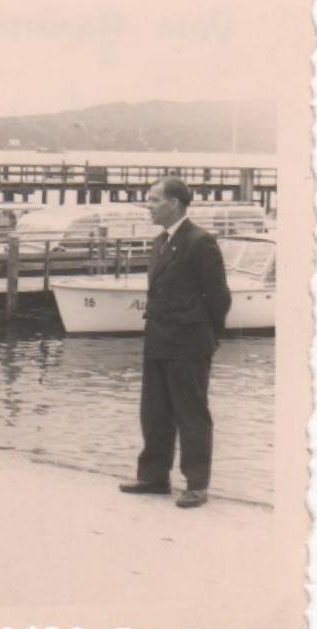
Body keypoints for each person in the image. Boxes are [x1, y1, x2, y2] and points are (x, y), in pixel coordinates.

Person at [119, 176, 231, 509]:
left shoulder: (200, 242)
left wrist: (208, 337)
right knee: (154, 411)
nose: (148, 206)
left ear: (174, 204)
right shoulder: (160, 243)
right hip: (158, 339)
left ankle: (196, 485)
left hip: (189, 341)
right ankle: (154, 477)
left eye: (153, 200)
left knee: (191, 413)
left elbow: (219, 298)